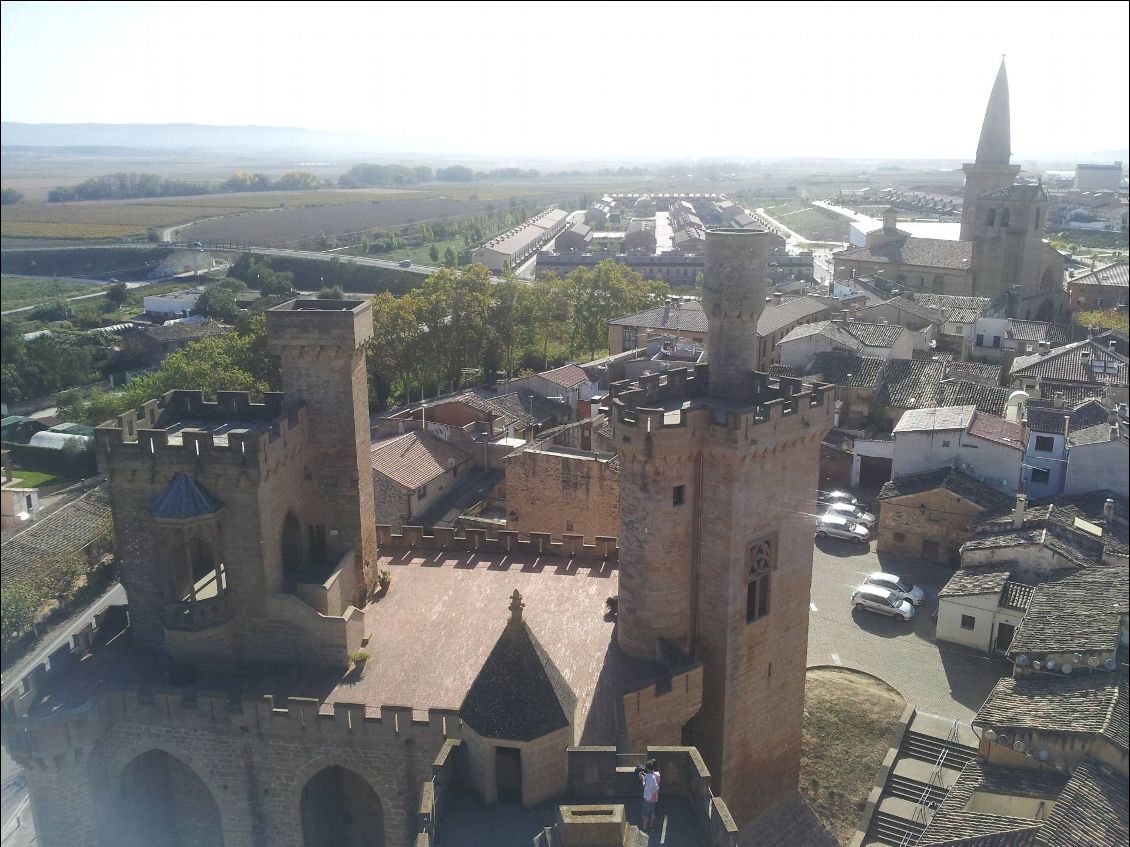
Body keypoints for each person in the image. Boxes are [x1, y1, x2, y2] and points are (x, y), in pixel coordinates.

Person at [639, 760, 661, 832]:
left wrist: (641, 777)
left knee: (645, 815)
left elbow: (644, 785)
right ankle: (651, 827)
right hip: (653, 800)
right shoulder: (654, 777)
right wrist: (653, 794)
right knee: (652, 814)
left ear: (648, 769)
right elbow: (656, 788)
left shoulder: (647, 777)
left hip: (647, 800)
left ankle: (644, 829)